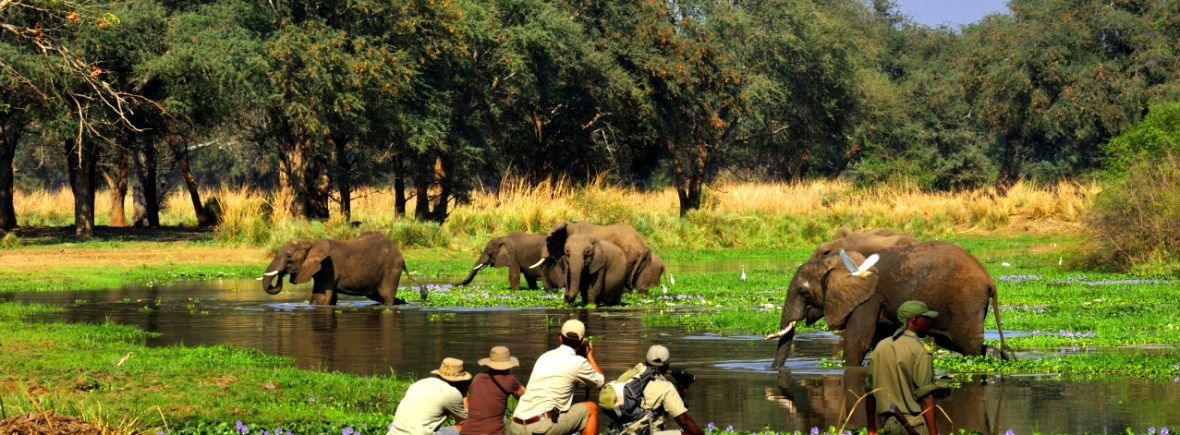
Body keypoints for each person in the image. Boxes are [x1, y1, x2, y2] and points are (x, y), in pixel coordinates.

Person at [507, 319, 605, 435]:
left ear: (560, 338)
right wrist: (589, 356)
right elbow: (601, 384)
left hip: (516, 426)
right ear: (582, 341)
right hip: (541, 427)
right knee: (591, 408)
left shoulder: (544, 356)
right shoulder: (579, 363)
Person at [865, 300, 941, 435]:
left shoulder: (880, 347)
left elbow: (870, 394)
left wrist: (871, 429)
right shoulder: (921, 350)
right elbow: (926, 398)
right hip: (916, 427)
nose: (930, 322)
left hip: (889, 427)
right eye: (926, 318)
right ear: (915, 320)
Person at [606, 345, 705, 435]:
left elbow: (654, 414)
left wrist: (680, 395)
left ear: (646, 361)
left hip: (618, 431)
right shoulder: (665, 387)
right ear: (667, 366)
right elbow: (684, 421)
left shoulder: (630, 376)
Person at [389, 357, 474, 435]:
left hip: (394, 431)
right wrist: (463, 393)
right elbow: (465, 422)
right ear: (460, 380)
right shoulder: (451, 393)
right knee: (464, 428)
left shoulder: (420, 383)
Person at [462, 346, 527, 435]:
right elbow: (526, 397)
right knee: (517, 426)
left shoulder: (478, 377)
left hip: (467, 430)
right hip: (492, 432)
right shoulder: (510, 380)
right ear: (508, 364)